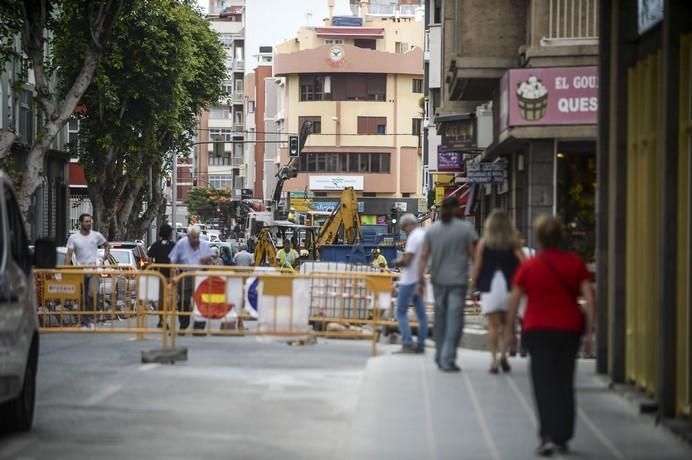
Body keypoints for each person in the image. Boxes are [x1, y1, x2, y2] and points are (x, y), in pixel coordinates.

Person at [505, 215, 595, 456]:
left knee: (543, 383)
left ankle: (546, 436)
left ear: (539, 238)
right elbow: (589, 298)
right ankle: (563, 435)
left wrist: (510, 332)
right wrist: (590, 334)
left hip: (537, 330)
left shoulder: (530, 266)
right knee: (565, 382)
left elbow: (514, 299)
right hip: (568, 329)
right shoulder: (575, 264)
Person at [417, 196, 478, 372]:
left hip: (437, 281)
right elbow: (474, 257)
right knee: (455, 320)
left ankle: (439, 354)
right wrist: (474, 282)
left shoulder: (432, 231)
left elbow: (423, 256)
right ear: (458, 209)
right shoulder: (466, 230)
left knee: (440, 319)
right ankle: (448, 357)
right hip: (458, 282)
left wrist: (419, 280)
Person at [470, 210, 525, 374]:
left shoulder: (484, 243)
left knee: (493, 326)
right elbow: (525, 263)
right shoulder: (514, 243)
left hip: (490, 286)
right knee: (507, 325)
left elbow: (477, 266)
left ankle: (493, 361)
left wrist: (473, 286)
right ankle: (504, 356)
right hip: (510, 286)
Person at [65, 213, 110, 327]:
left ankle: (91, 317)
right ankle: (84, 320)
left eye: (90, 221)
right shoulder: (73, 238)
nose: (89, 224)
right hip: (80, 271)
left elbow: (107, 245)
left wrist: (105, 256)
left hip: (93, 270)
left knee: (92, 294)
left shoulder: (96, 235)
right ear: (80, 223)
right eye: (86, 221)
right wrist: (65, 269)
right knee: (82, 297)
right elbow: (69, 254)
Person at [392, 214, 428, 354]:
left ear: (407, 225)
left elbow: (408, 260)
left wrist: (397, 262)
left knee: (400, 311)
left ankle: (407, 343)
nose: (404, 231)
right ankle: (421, 344)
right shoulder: (423, 235)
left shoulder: (413, 237)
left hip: (409, 280)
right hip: (419, 279)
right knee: (421, 315)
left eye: (403, 229)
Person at [168, 225, 213, 332]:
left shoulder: (205, 245)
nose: (196, 240)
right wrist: (173, 275)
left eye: (197, 237)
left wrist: (207, 260)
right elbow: (173, 260)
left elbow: (210, 261)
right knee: (184, 300)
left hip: (201, 276)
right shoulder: (181, 243)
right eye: (194, 237)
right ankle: (184, 323)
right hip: (185, 275)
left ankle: (199, 326)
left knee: (201, 301)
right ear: (188, 236)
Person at [147, 223, 175, 328]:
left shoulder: (156, 245)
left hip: (158, 275)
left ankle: (161, 319)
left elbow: (149, 258)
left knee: (160, 299)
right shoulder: (173, 245)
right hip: (169, 276)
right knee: (168, 298)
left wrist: (151, 269)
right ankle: (164, 319)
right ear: (169, 234)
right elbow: (175, 260)